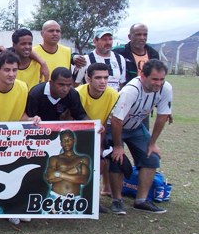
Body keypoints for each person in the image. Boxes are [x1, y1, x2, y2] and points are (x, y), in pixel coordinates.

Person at [107, 59, 173, 215]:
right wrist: (118, 146)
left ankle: (141, 201)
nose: (158, 83)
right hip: (114, 126)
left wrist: (152, 143)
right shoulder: (131, 90)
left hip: (136, 126)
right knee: (117, 159)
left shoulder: (166, 88)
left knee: (151, 158)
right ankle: (117, 200)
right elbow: (116, 120)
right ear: (143, 76)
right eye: (154, 79)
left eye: (161, 79)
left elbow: (162, 116)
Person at [76, 62, 119, 198]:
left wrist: (99, 147)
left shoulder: (113, 95)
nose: (103, 81)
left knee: (105, 158)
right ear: (88, 79)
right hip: (79, 133)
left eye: (106, 78)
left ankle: (101, 192)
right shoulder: (78, 93)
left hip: (99, 133)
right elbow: (72, 118)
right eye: (98, 78)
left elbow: (105, 122)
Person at [0, 50, 39, 124]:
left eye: (14, 70)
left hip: (13, 131)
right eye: (7, 70)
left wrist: (31, 119)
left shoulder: (23, 88)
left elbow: (21, 115)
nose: (11, 74)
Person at [45, 130, 90, 198]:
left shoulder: (83, 159)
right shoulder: (54, 159)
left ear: (74, 141)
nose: (67, 142)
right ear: (61, 144)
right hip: (55, 197)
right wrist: (72, 171)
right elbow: (49, 178)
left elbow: (84, 180)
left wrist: (59, 174)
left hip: (75, 199)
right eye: (64, 140)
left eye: (69, 139)